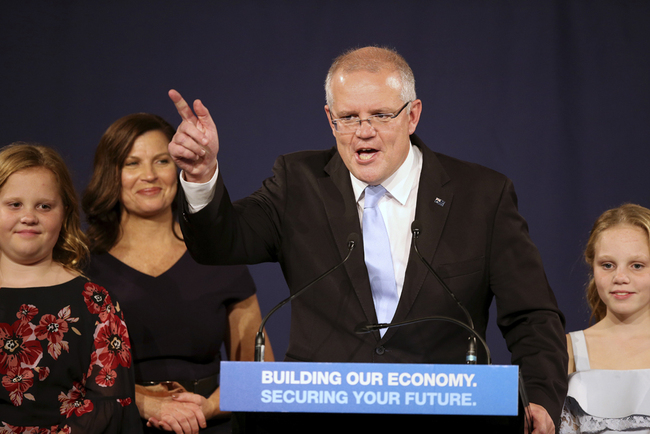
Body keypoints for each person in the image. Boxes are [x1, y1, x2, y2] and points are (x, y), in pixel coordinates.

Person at [168, 46, 567, 433]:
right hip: (316, 420)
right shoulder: (298, 182)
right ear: (330, 119)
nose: (364, 132)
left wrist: (539, 398)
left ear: (413, 115)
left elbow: (532, 316)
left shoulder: (481, 195)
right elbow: (220, 243)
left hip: (447, 420)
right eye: (349, 117)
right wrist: (202, 176)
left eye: (380, 115)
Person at [82, 114, 272, 434]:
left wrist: (207, 408)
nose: (149, 175)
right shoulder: (81, 264)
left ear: (179, 168)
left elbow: (258, 370)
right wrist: (146, 403)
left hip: (211, 424)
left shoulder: (219, 254)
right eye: (132, 163)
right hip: (120, 424)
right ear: (110, 174)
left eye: (161, 161)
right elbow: (69, 371)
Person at [0, 143, 140, 432]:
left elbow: (110, 404)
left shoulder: (97, 302)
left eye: (44, 206)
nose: (29, 216)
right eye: (14, 204)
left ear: (64, 214)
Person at [560, 204, 650, 433]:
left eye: (637, 265)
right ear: (593, 267)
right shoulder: (567, 349)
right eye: (607, 265)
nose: (620, 277)